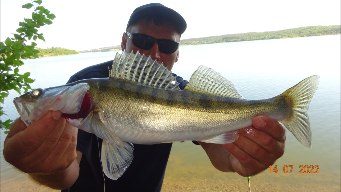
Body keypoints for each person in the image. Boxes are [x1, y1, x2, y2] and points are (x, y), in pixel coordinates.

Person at [3, 3, 286, 192]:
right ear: (124, 42)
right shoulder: (84, 84)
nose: (154, 53)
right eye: (142, 41)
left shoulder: (186, 93)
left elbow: (220, 150)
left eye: (167, 45)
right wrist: (48, 168)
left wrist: (241, 161)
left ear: (177, 53)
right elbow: (67, 172)